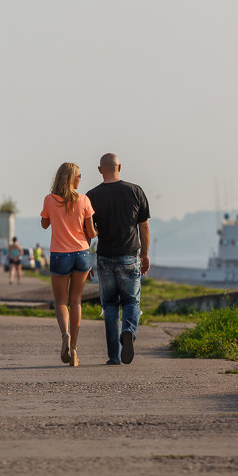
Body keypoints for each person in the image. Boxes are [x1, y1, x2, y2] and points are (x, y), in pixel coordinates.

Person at [86, 153, 150, 366]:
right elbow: (144, 227)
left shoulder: (91, 196)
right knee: (132, 301)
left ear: (99, 169)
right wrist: (146, 254)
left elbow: (87, 232)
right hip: (130, 255)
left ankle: (114, 356)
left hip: (104, 256)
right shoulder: (135, 191)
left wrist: (87, 261)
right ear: (119, 167)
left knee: (110, 306)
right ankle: (129, 331)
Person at [41, 162, 96, 367]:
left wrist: (55, 217)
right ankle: (74, 350)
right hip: (81, 253)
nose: (81, 178)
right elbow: (91, 233)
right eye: (79, 175)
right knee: (76, 302)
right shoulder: (84, 200)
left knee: (61, 302)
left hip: (59, 254)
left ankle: (65, 335)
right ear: (71, 178)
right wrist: (96, 230)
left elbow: (45, 223)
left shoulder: (49, 199)